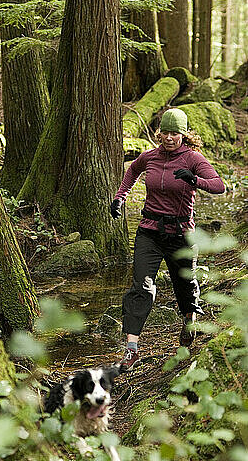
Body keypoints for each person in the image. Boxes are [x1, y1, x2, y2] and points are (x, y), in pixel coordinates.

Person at [110, 108, 225, 372]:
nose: (169, 138)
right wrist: (120, 197)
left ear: (184, 135)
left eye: (175, 133)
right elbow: (132, 173)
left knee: (185, 286)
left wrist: (194, 180)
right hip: (149, 231)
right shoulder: (149, 156)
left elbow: (219, 185)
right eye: (165, 132)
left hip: (181, 234)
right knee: (141, 287)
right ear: (158, 132)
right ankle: (131, 349)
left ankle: (189, 321)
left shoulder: (193, 158)